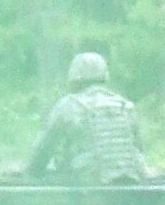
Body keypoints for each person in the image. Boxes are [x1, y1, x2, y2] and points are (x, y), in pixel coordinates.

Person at [25, 51, 147, 184]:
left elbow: (43, 150)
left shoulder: (68, 105)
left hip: (88, 182)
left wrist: (31, 173)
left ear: (74, 78)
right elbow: (138, 148)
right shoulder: (126, 106)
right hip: (131, 179)